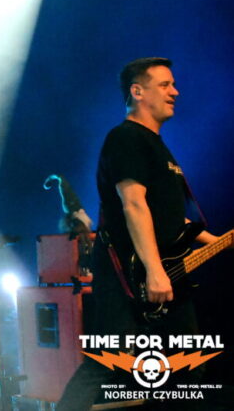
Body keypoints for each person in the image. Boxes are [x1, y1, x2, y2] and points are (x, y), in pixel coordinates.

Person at [57, 58, 226, 410]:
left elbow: (170, 220)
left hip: (165, 273)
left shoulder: (159, 147)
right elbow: (133, 204)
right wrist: (154, 270)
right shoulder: (125, 138)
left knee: (189, 364)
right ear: (137, 91)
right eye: (165, 85)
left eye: (173, 84)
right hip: (129, 274)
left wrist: (220, 243)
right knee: (106, 361)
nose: (175, 92)